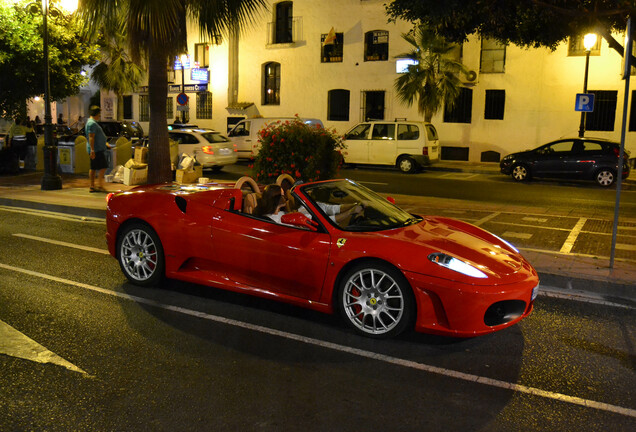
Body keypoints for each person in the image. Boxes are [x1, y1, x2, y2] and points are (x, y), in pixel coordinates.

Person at [85, 106, 108, 192]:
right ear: (96, 114)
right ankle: (98, 185)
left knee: (94, 167)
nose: (100, 115)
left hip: (97, 148)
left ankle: (94, 185)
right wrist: (92, 150)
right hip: (96, 149)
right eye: (99, 114)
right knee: (103, 166)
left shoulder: (91, 122)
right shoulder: (92, 123)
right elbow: (91, 137)